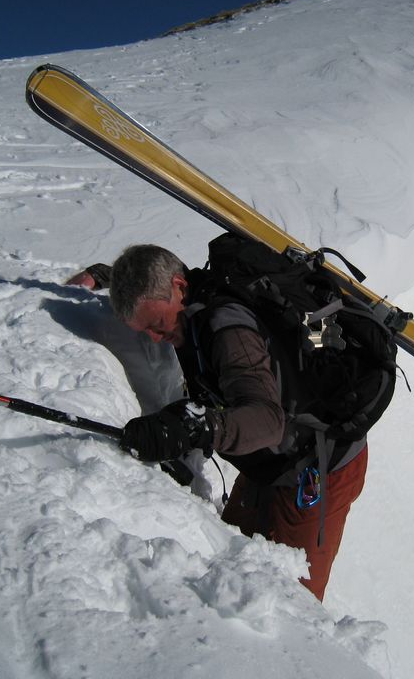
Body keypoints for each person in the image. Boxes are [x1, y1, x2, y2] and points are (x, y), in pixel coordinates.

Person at [67, 245, 368, 601]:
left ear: (179, 286)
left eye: (156, 325)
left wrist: (196, 428)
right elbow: (145, 269)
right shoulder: (185, 296)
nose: (153, 338)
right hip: (267, 461)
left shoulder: (229, 331)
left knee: (288, 600)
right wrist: (104, 276)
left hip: (319, 467)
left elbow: (268, 421)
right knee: (228, 560)